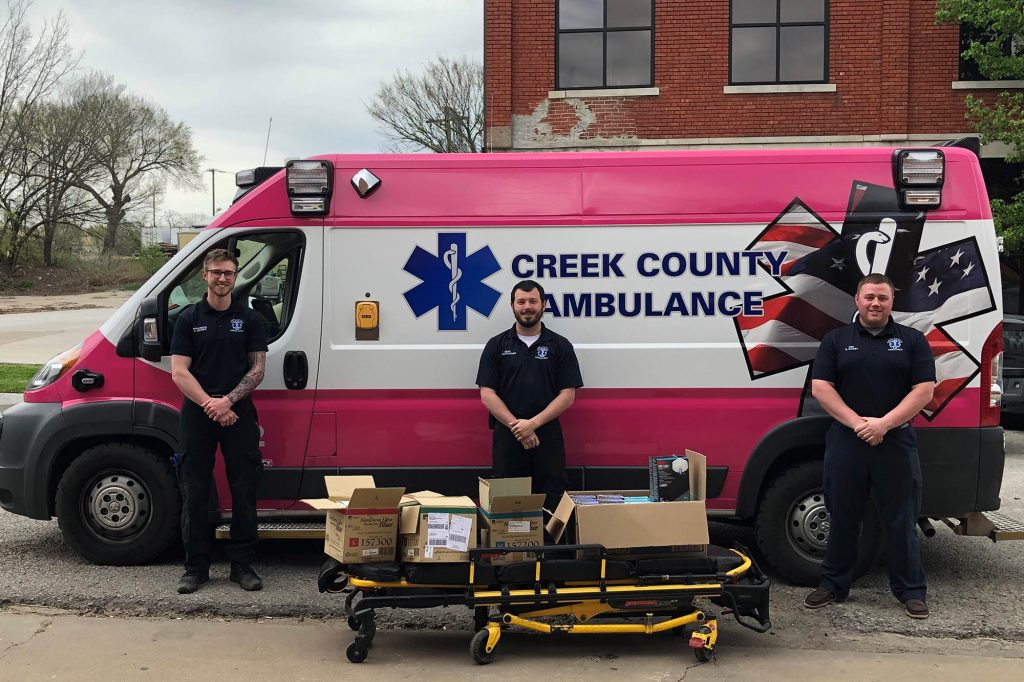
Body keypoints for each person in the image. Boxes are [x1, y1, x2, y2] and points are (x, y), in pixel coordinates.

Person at [804, 273, 936, 619]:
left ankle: (911, 591)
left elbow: (924, 391)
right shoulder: (836, 340)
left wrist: (883, 424)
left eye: (882, 297)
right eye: (869, 297)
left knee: (900, 518)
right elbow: (821, 387)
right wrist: (859, 424)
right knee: (843, 516)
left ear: (892, 302)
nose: (875, 303)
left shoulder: (912, 341)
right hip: (848, 441)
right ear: (857, 300)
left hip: (895, 442)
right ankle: (833, 584)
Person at [170, 248, 268, 594]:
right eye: (216, 272)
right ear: (205, 275)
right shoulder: (187, 318)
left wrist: (227, 401)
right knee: (195, 490)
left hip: (238, 413)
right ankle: (195, 568)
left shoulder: (251, 319)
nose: (222, 278)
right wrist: (211, 405)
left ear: (235, 276)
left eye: (228, 272)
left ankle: (242, 566)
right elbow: (179, 373)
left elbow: (257, 370)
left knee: (244, 490)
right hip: (198, 415)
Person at [476, 279, 584, 513]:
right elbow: (487, 394)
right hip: (508, 437)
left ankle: (552, 551)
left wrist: (532, 425)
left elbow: (567, 395)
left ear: (544, 304)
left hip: (547, 436)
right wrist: (519, 428)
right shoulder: (496, 345)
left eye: (533, 301)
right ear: (512, 306)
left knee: (552, 499)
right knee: (507, 499)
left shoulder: (560, 345)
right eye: (521, 301)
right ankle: (514, 551)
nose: (527, 307)